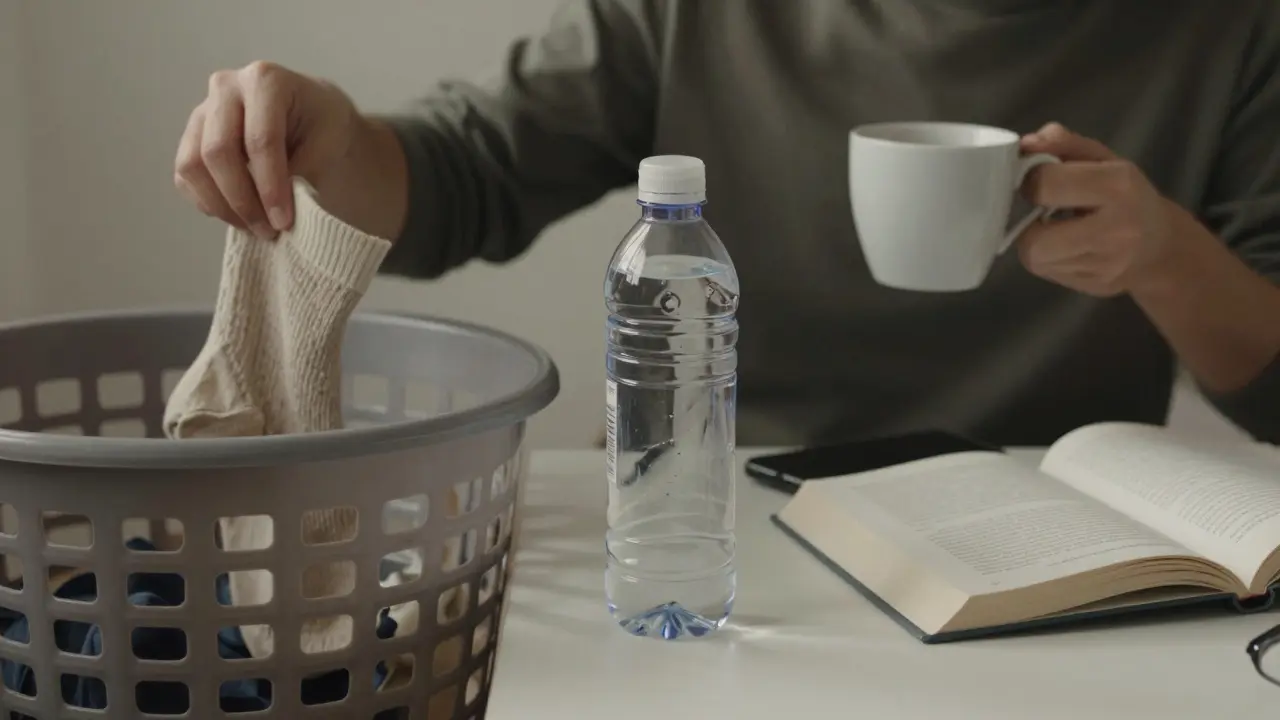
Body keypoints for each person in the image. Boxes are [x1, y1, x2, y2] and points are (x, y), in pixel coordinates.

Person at [172, 0, 1280, 448]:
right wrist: (322, 138)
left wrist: (1167, 256)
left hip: (1046, 562)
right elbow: (462, 179)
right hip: (707, 525)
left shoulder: (1232, 30)